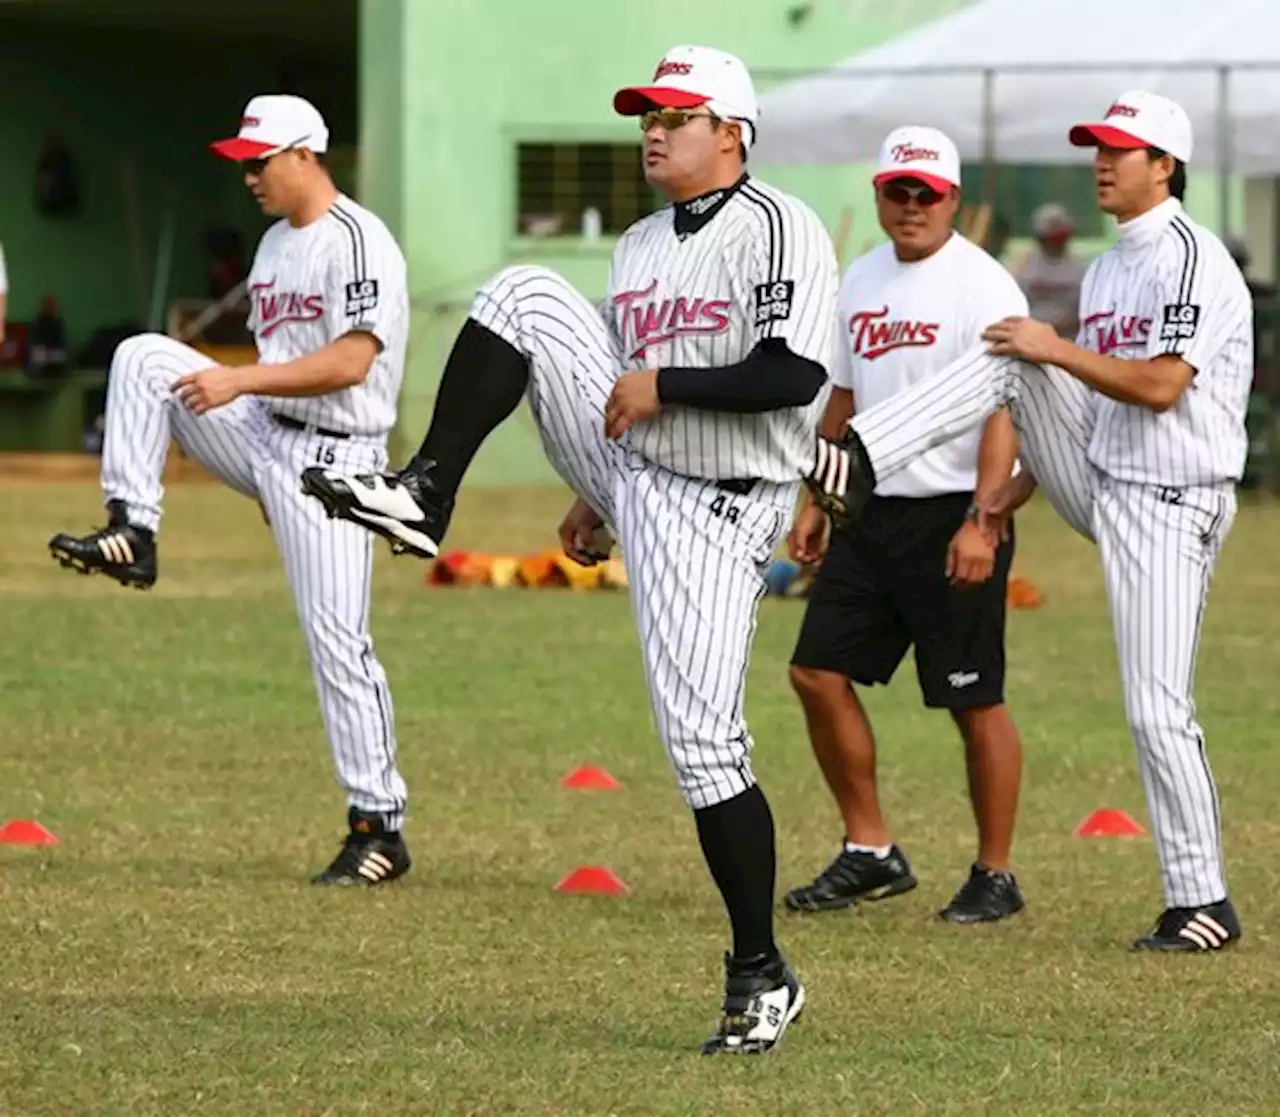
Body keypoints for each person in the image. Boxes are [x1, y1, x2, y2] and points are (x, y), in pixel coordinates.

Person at [300, 45, 834, 1052]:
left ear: (730, 130)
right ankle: (424, 490)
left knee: (704, 747)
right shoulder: (637, 245)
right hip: (643, 469)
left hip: (721, 503)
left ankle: (759, 968)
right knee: (525, 297)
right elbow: (617, 383)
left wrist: (664, 387)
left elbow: (792, 371)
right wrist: (597, 490)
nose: (653, 128)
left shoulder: (779, 225)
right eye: (647, 113)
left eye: (676, 113)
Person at [805, 90, 1252, 953]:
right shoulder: (1113, 263)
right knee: (1014, 350)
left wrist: (1053, 349)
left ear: (1165, 164)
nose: (1102, 161)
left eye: (1121, 149)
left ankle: (1205, 902)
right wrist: (1011, 492)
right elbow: (1084, 391)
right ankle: (858, 456)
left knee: (1158, 710)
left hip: (1171, 495)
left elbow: (1160, 387)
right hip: (1104, 478)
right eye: (1098, 146)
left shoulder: (1193, 258)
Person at [48, 95, 414, 888]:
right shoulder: (276, 244)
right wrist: (247, 410)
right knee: (144, 357)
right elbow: (275, 362)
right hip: (267, 434)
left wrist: (239, 379)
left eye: (260, 160)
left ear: (306, 155)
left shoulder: (359, 241)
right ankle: (133, 529)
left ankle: (379, 826)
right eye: (242, 162)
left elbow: (352, 362)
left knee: (336, 642)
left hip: (336, 461)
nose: (248, 175)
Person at [785, 126, 1027, 926]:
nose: (913, 205)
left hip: (955, 513)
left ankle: (995, 872)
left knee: (972, 698)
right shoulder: (859, 278)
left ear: (953, 198)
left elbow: (1003, 408)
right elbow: (843, 401)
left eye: (928, 193)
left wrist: (982, 521)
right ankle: (870, 850)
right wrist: (817, 500)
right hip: (872, 511)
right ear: (880, 195)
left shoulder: (985, 285)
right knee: (816, 671)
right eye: (899, 190)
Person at [1014, 203, 1088, 339]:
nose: (1057, 242)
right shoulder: (1021, 267)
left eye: (1061, 237)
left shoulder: (1081, 269)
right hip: (1028, 339)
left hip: (1069, 341)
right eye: (1052, 238)